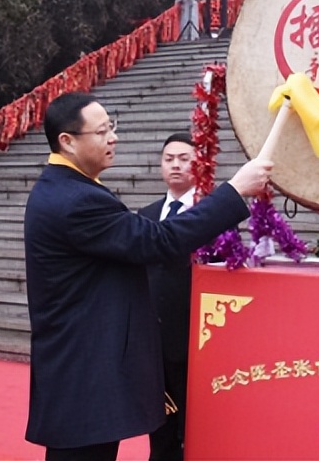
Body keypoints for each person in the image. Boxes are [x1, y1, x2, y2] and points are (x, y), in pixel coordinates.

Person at [23, 93, 272, 461]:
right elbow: (159, 240)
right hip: (83, 372)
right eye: (102, 130)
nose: (113, 137)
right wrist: (234, 190)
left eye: (113, 127)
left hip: (83, 368)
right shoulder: (75, 200)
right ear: (67, 141)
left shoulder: (67, 189)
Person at [139, 132, 202, 461]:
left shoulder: (211, 214)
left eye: (184, 159)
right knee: (159, 427)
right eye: (169, 159)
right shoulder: (146, 215)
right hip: (153, 345)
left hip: (197, 344)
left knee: (195, 429)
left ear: (199, 163)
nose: (175, 165)